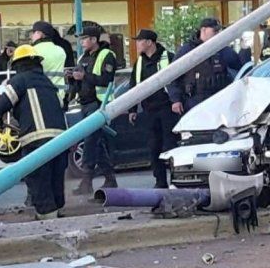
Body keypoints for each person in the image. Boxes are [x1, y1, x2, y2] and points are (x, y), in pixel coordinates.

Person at [0, 45, 68, 220]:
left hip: (37, 143)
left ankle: (48, 221)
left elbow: (1, 105)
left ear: (17, 64)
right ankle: (58, 212)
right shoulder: (48, 83)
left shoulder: (20, 80)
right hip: (61, 141)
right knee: (55, 179)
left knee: (39, 181)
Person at [69, 25, 118, 195]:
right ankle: (110, 178)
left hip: (99, 104)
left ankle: (86, 180)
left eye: (84, 39)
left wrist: (84, 76)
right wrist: (73, 80)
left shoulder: (107, 55)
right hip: (85, 103)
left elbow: (106, 79)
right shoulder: (83, 57)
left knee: (90, 141)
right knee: (97, 143)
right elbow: (80, 80)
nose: (81, 42)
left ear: (94, 40)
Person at [127, 29, 177, 189]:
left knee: (171, 146)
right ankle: (160, 182)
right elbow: (133, 86)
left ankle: (176, 181)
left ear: (149, 42)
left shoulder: (168, 57)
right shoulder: (139, 62)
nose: (136, 44)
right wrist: (132, 109)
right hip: (149, 110)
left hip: (168, 109)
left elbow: (178, 80)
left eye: (139, 41)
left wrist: (177, 101)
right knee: (154, 147)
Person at [169, 18, 243, 114]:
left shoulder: (223, 50)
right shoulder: (187, 50)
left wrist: (245, 49)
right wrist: (176, 99)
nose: (217, 34)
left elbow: (240, 68)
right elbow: (172, 76)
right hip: (194, 101)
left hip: (219, 100)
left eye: (219, 31)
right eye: (214, 31)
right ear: (203, 30)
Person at [31, 21, 68, 100]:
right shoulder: (60, 50)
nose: (32, 36)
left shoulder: (33, 51)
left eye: (33, 33)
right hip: (59, 95)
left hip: (41, 95)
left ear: (39, 34)